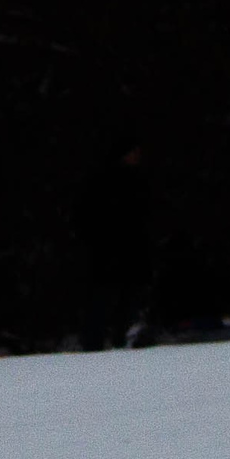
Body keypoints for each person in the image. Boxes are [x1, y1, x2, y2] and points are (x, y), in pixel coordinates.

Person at [74, 142, 154, 349]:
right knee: (105, 303)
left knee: (123, 304)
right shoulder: (111, 183)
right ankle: (99, 343)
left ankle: (119, 340)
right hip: (111, 257)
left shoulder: (132, 181)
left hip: (123, 256)